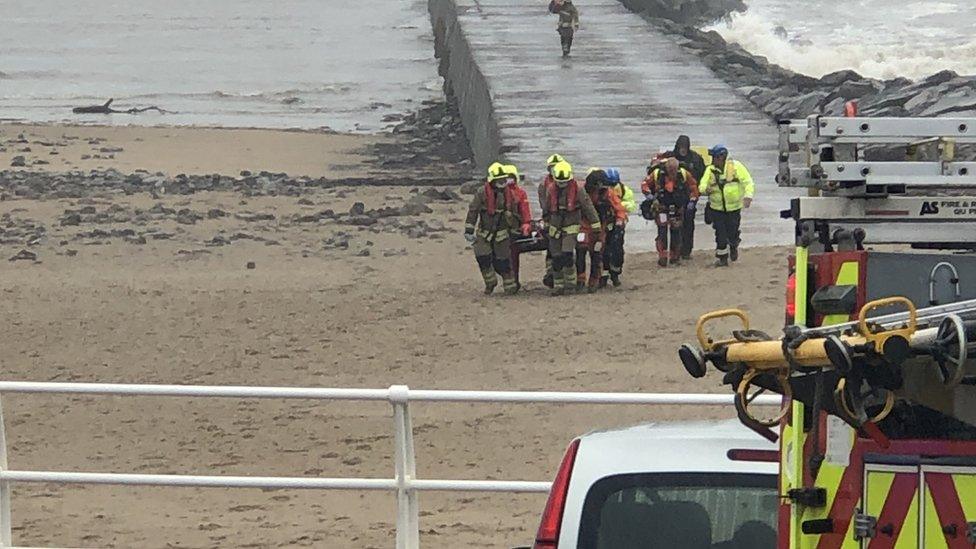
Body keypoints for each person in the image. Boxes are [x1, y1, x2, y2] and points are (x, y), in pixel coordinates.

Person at [464, 162, 531, 294]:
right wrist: (469, 229)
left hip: (502, 234)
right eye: (499, 179)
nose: (502, 182)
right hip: (484, 232)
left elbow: (517, 213)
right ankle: (490, 282)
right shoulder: (482, 193)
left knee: (503, 262)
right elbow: (473, 210)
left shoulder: (509, 194)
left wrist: (515, 225)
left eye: (503, 179)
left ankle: (510, 287)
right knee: (482, 257)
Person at [539, 161, 602, 296]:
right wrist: (545, 222)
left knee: (567, 254)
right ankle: (558, 286)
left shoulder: (578, 190)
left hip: (571, 226)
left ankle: (570, 284)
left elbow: (588, 207)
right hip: (555, 227)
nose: (562, 185)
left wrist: (596, 225)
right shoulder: (551, 189)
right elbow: (547, 207)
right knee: (556, 258)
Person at [699, 144, 755, 267]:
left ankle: (734, 245)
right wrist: (705, 189)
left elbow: (748, 182)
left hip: (733, 208)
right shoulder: (710, 170)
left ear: (722, 157)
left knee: (732, 231)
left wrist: (748, 196)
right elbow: (702, 185)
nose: (713, 160)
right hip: (716, 208)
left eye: (715, 157)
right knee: (720, 233)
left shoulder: (736, 167)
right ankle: (722, 258)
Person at [575, 169, 627, 292]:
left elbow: (619, 208)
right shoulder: (581, 191)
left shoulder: (608, 193)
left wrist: (620, 221)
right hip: (584, 225)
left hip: (601, 226)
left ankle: (594, 279)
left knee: (596, 252)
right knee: (581, 248)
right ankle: (580, 278)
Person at [645, 158, 698, 267]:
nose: (672, 172)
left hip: (678, 208)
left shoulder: (683, 174)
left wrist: (692, 200)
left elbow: (693, 187)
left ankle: (674, 256)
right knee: (662, 232)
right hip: (661, 207)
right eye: (670, 170)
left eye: (674, 170)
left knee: (676, 232)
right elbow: (645, 184)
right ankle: (663, 256)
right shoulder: (657, 174)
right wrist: (649, 195)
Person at [672, 135, 706, 259]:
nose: (683, 150)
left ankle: (686, 250)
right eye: (681, 147)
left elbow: (703, 175)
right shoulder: (670, 158)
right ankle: (674, 250)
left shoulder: (696, 158)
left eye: (685, 147)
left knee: (688, 223)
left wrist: (699, 192)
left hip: (690, 194)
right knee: (674, 224)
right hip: (673, 195)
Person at [603, 167, 636, 287]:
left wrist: (618, 205)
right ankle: (603, 274)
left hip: (619, 222)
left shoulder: (624, 190)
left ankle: (615, 273)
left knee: (617, 248)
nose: (612, 186)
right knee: (604, 249)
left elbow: (631, 205)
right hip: (605, 221)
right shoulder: (602, 191)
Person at [501, 164, 532, 290]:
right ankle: (508, 279)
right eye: (506, 177)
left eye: (511, 177)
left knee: (513, 256)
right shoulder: (495, 193)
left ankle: (514, 280)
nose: (509, 180)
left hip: (514, 230)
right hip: (500, 229)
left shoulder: (520, 193)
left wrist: (526, 224)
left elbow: (525, 212)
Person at [539, 153, 566, 289]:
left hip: (568, 221)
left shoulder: (571, 184)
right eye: (551, 167)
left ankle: (569, 277)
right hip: (552, 221)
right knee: (552, 248)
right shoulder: (544, 185)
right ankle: (551, 273)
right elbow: (544, 205)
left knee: (568, 250)